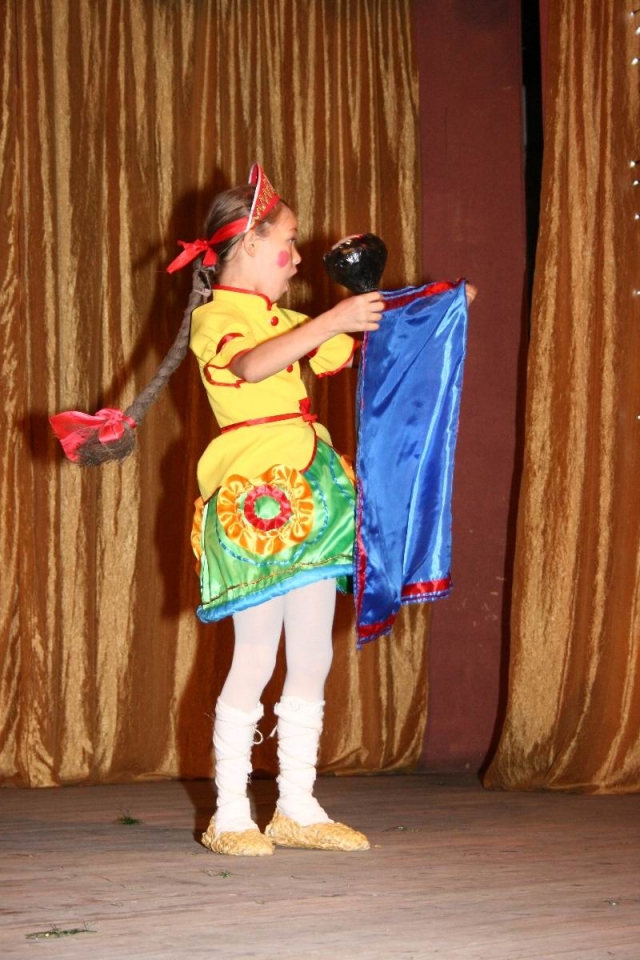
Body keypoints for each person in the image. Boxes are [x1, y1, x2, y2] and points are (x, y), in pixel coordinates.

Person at [165, 165, 384, 857]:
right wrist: (331, 319)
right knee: (256, 653)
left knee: (314, 650)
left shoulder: (289, 319)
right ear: (251, 244)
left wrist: (434, 307)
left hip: (311, 493)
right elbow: (253, 366)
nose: (296, 255)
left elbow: (355, 343)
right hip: (254, 499)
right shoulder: (216, 318)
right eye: (287, 241)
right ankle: (230, 813)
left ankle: (297, 805)